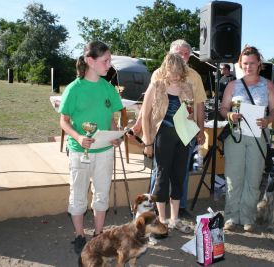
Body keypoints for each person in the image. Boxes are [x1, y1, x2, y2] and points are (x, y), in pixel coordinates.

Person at [129, 39, 207, 218]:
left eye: (186, 53)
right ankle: (153, 211)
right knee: (160, 173)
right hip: (163, 133)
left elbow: (199, 106)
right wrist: (141, 130)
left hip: (184, 133)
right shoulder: (158, 75)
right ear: (170, 56)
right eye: (180, 53)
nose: (183, 57)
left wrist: (201, 131)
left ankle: (177, 212)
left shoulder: (193, 78)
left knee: (181, 173)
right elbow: (148, 109)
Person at [59, 41, 123, 254]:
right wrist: (78, 137)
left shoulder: (108, 88)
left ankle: (98, 235)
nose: (109, 65)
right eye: (106, 61)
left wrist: (115, 136)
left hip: (105, 152)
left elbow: (112, 120)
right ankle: (79, 236)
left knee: (102, 195)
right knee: (78, 195)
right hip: (80, 152)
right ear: (90, 61)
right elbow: (64, 121)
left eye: (110, 60)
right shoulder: (73, 89)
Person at [220, 45, 274, 232]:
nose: (248, 67)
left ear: (259, 64)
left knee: (253, 178)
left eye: (252, 63)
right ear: (240, 64)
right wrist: (229, 115)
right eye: (245, 63)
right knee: (233, 178)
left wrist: (269, 119)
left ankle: (248, 217)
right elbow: (223, 108)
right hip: (236, 136)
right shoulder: (232, 85)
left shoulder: (267, 84)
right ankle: (231, 216)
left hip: (257, 135)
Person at [141, 53, 194, 233]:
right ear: (165, 69)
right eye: (172, 72)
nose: (175, 76)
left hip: (183, 136)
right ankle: (161, 219)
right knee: (162, 177)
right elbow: (145, 116)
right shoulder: (156, 86)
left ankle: (174, 219)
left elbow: (190, 114)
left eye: (179, 72)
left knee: (179, 176)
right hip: (163, 135)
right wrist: (148, 142)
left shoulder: (187, 87)